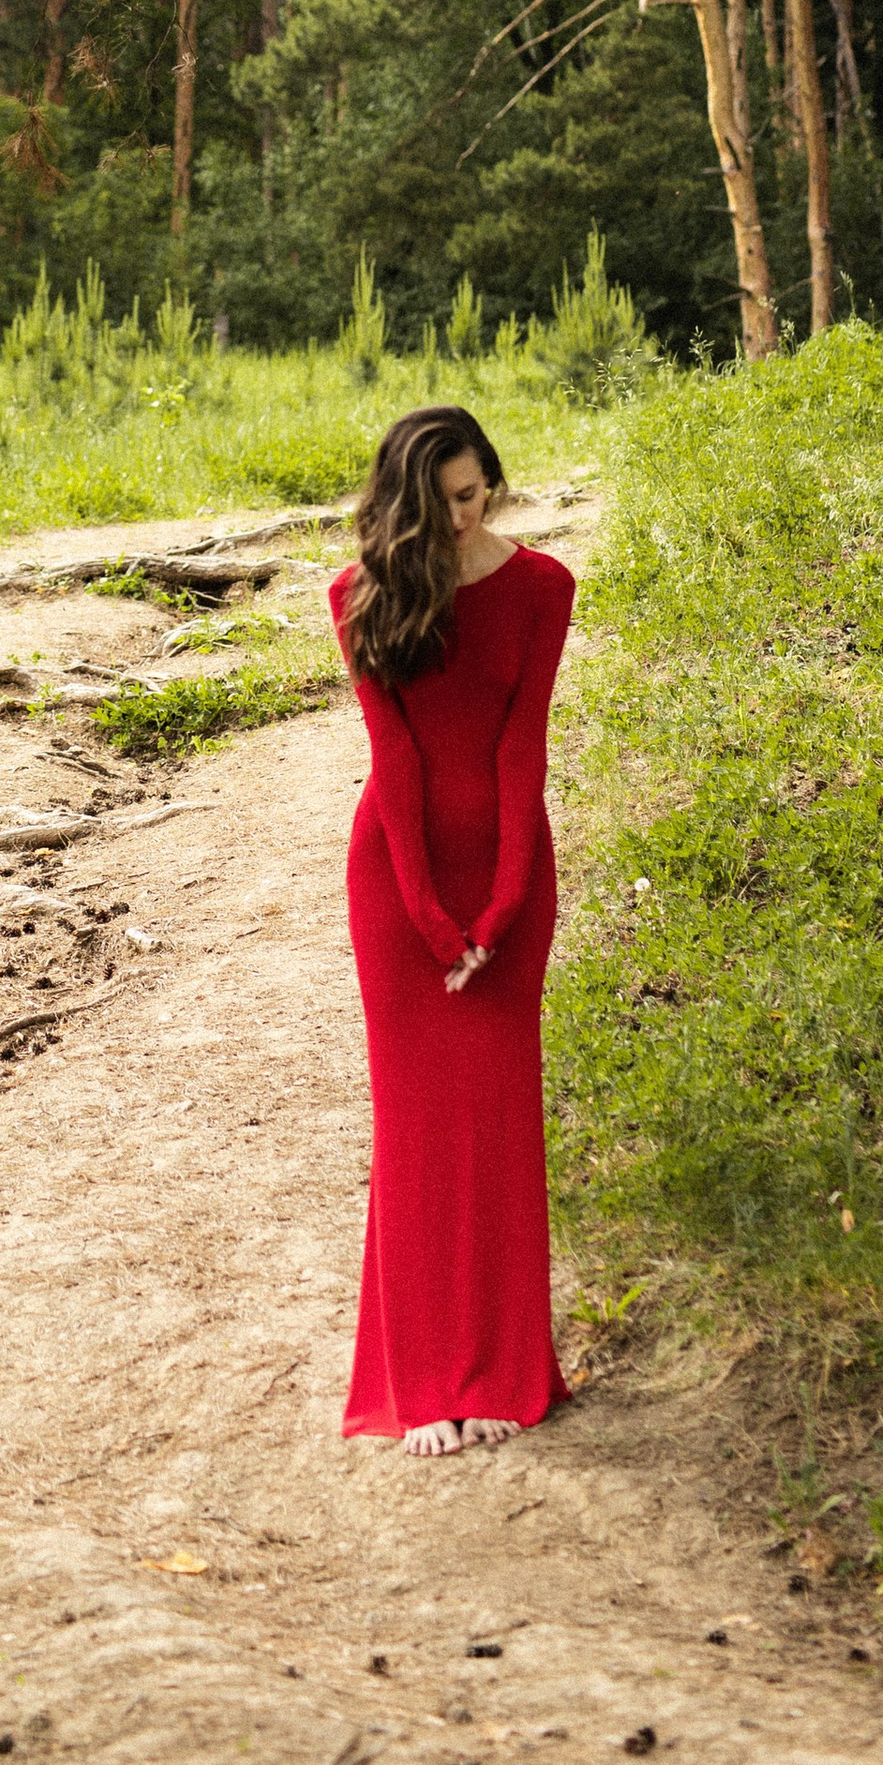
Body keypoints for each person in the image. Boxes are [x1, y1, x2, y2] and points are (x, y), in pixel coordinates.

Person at [329, 401, 574, 1454]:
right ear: (402, 508)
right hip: (399, 886)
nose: (463, 521)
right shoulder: (362, 595)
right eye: (439, 507)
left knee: (500, 1129)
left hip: (509, 880)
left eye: (473, 496)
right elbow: (398, 766)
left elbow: (525, 749)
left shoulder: (542, 587)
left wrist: (506, 900)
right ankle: (425, 1380)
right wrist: (433, 919)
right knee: (421, 1133)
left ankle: (508, 1372)